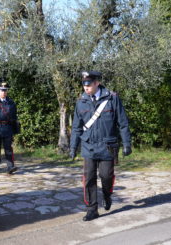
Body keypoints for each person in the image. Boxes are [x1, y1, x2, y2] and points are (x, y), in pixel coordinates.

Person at [70, 71, 132, 221]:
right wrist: (73, 147)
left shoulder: (112, 98)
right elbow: (76, 127)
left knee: (106, 176)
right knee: (89, 178)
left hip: (107, 146)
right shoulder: (81, 102)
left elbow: (122, 123)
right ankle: (92, 209)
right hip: (88, 146)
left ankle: (107, 194)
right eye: (84, 85)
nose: (86, 88)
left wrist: (126, 143)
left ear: (97, 83)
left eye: (89, 84)